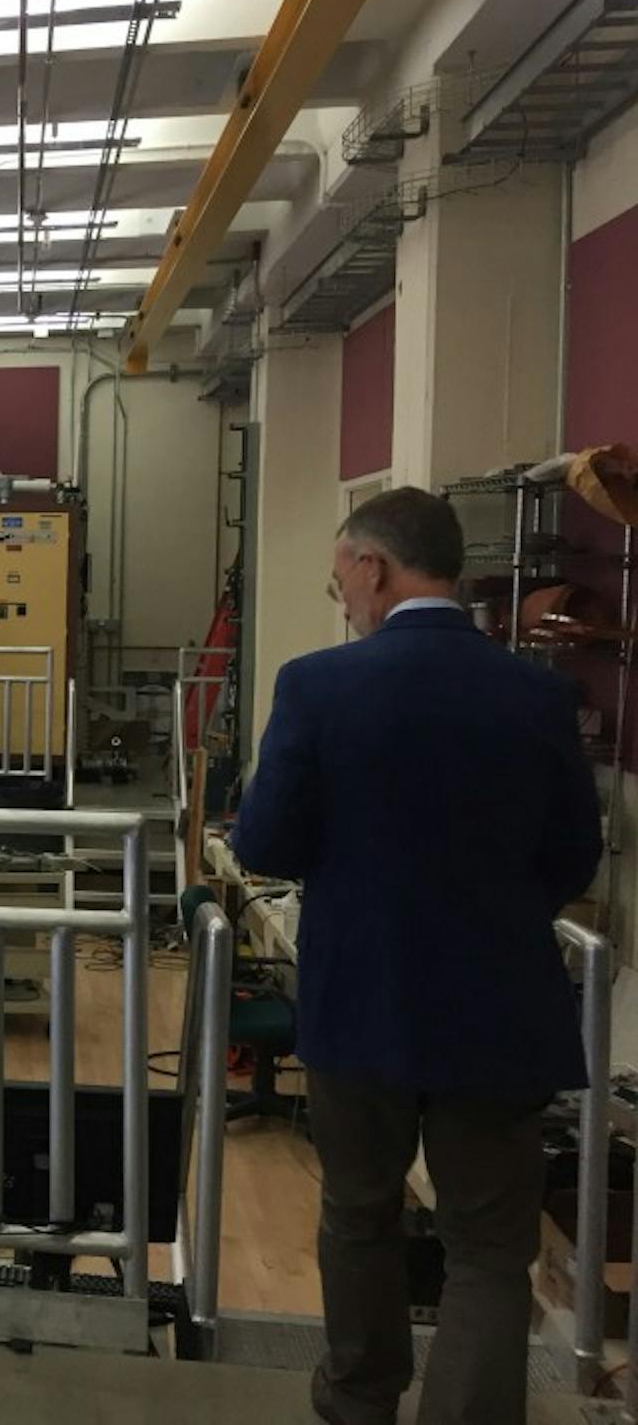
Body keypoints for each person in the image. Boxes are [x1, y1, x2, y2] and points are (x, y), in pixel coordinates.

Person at [231, 487, 602, 1425]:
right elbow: (573, 855)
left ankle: (359, 1399)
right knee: (488, 1248)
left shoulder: (319, 685)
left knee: (360, 1213)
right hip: (500, 1008)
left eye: (338, 578)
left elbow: (265, 844)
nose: (341, 598)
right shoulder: (538, 693)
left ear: (373, 567)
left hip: (363, 1001)